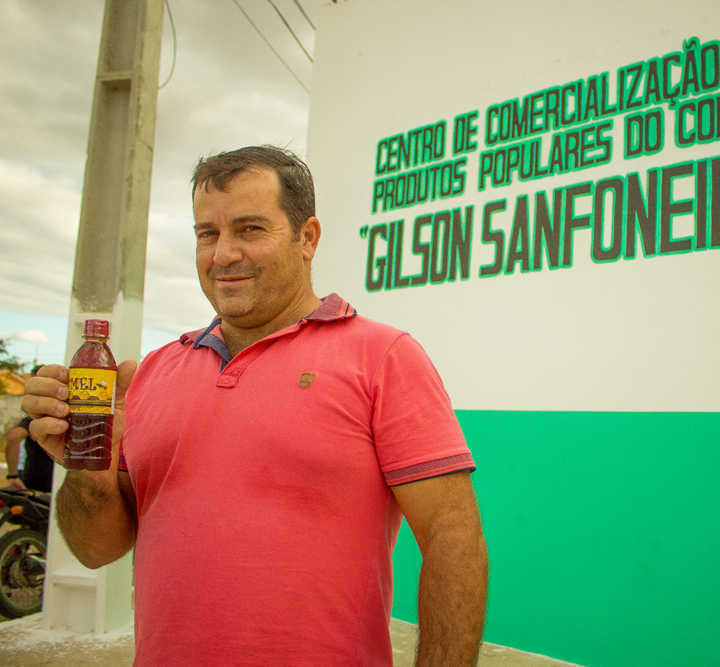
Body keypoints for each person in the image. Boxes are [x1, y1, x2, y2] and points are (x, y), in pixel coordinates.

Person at [23, 145, 489, 666]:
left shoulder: (383, 357)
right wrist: (89, 468)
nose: (223, 254)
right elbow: (95, 550)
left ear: (307, 238)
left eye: (249, 229)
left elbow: (453, 537)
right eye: (207, 233)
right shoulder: (153, 372)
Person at [5, 366, 53, 492]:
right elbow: (14, 437)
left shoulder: (41, 413)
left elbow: (14, 437)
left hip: (35, 479)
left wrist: (12, 475)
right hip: (40, 480)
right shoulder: (37, 413)